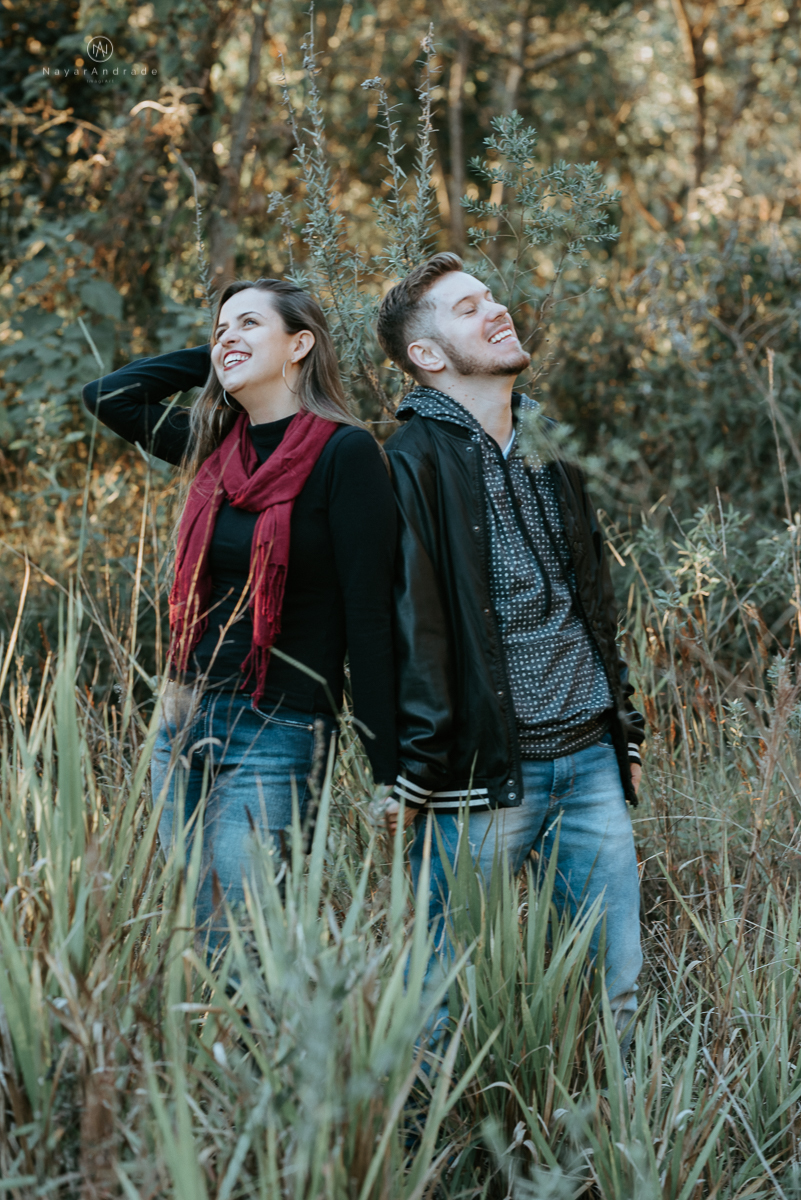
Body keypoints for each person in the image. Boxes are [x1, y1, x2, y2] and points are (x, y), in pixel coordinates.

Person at [377, 253, 645, 1047]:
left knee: (616, 992)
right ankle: (440, 1160)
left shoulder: (547, 442)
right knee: (439, 998)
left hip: (590, 762)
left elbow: (591, 601)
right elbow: (409, 630)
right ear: (426, 356)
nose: (495, 310)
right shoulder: (407, 464)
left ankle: (614, 1152)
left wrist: (620, 726)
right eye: (467, 308)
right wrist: (416, 771)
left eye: (490, 297)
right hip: (477, 779)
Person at [83, 277, 397, 945]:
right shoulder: (212, 446)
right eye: (221, 326)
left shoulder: (346, 453)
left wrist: (387, 768)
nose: (228, 335)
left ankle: (276, 1051)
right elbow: (108, 396)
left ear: (300, 344)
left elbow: (369, 616)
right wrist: (225, 354)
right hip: (181, 719)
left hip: (277, 727)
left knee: (251, 938)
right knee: (195, 930)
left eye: (250, 324)